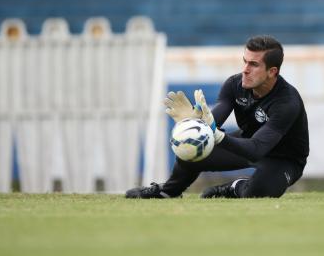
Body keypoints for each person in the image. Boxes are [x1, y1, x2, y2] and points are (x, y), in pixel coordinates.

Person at [126, 35, 309, 199]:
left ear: (272, 72)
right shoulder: (234, 84)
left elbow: (257, 149)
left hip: (284, 159)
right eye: (244, 61)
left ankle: (235, 187)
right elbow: (214, 122)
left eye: (254, 65)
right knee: (193, 144)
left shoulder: (287, 102)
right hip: (246, 142)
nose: (245, 69)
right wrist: (196, 123)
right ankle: (168, 191)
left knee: (258, 192)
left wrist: (216, 134)